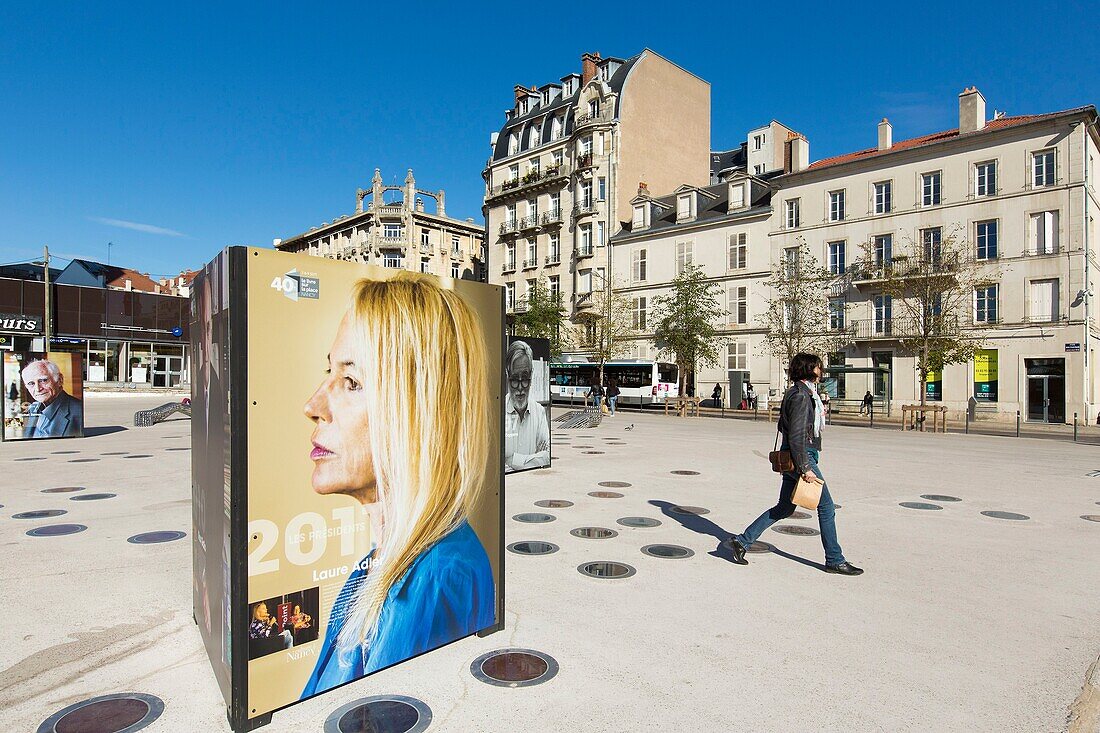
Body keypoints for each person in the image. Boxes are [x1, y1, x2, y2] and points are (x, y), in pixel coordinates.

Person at [301, 275, 496, 698]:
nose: (313, 406)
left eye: (351, 382)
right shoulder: (380, 567)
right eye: (328, 372)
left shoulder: (436, 580)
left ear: (417, 409)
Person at [728, 353, 863, 576]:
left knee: (784, 507)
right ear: (809, 369)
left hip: (793, 455)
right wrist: (805, 468)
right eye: (819, 367)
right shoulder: (801, 396)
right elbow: (798, 434)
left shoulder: (798, 393)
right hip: (801, 457)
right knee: (826, 507)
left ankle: (742, 541)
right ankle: (835, 560)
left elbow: (785, 426)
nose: (822, 370)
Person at [504, 340, 550, 472]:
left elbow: (547, 455)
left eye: (524, 379)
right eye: (514, 379)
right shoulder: (497, 411)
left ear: (531, 374)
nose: (520, 388)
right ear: (507, 375)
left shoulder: (539, 412)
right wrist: (533, 458)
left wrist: (512, 460)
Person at [21, 359, 83, 438]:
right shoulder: (31, 409)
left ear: (59, 380)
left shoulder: (78, 411)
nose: (37, 389)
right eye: (31, 383)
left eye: (43, 381)